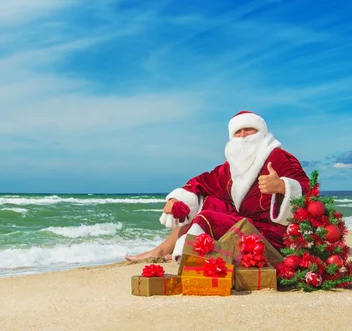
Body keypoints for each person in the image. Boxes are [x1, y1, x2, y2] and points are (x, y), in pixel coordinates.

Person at [125, 111, 309, 262]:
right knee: (209, 201)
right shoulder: (232, 168)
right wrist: (175, 199)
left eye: (249, 129)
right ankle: (162, 250)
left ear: (261, 132)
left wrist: (283, 187)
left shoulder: (278, 157)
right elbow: (202, 182)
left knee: (208, 217)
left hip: (274, 236)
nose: (243, 135)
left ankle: (186, 257)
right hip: (247, 226)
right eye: (238, 131)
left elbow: (309, 191)